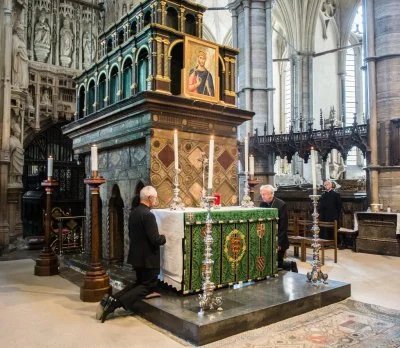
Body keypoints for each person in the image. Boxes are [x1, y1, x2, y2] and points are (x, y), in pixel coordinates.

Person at [97, 186, 166, 323]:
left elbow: (131, 234)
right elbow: (155, 239)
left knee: (139, 283)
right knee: (147, 286)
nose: (156, 200)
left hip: (136, 256)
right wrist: (165, 237)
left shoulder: (134, 212)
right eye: (155, 197)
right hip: (148, 259)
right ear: (150, 198)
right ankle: (114, 305)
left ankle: (111, 300)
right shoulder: (148, 215)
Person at [259, 185, 297, 272]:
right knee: (269, 263)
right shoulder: (262, 204)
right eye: (261, 194)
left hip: (280, 239)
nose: (262, 196)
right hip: (267, 239)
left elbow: (283, 226)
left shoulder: (281, 205)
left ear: (271, 194)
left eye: (264, 194)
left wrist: (278, 242)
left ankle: (291, 264)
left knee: (277, 263)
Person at [12, 23, 29, 90]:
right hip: (19, 60)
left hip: (23, 60)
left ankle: (21, 85)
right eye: (21, 31)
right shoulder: (14, 38)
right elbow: (14, 49)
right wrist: (20, 51)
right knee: (19, 73)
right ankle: (17, 83)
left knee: (23, 74)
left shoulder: (20, 39)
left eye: (22, 31)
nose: (22, 32)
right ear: (17, 30)